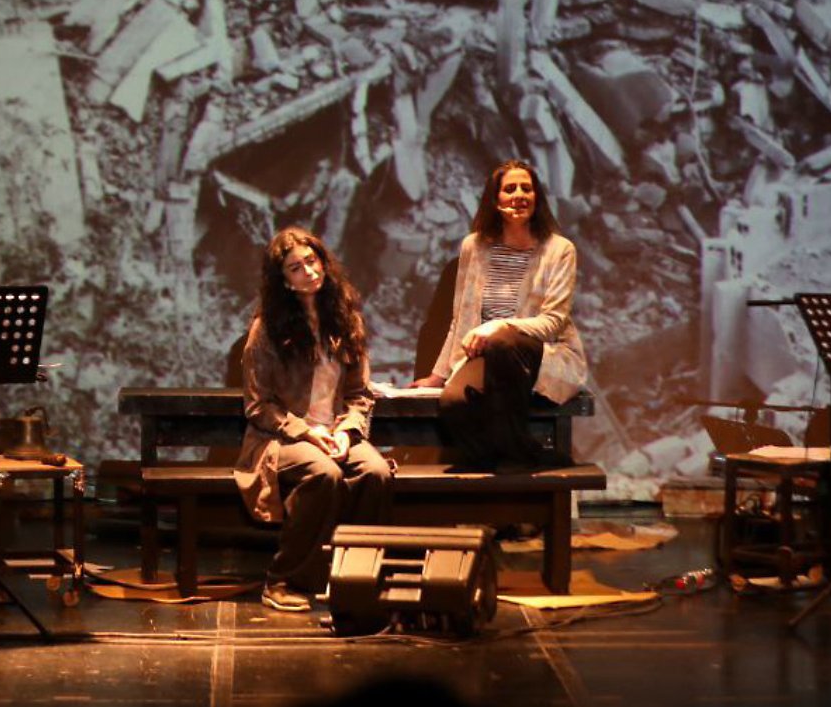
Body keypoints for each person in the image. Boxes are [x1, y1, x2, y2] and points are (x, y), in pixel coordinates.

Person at [235, 227, 392, 613]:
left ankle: (352, 573)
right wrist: (308, 431)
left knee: (375, 471)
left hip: (335, 433)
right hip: (279, 440)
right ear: (284, 281)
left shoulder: (344, 319)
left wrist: (346, 430)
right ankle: (283, 579)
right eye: (295, 268)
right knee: (324, 474)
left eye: (312, 261)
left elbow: (358, 394)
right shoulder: (268, 329)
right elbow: (258, 406)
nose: (308, 271)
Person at [412, 160, 587, 472]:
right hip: (487, 354)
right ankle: (523, 457)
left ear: (537, 197)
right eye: (510, 189)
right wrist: (438, 375)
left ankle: (515, 464)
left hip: (541, 354)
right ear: (495, 199)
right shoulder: (474, 246)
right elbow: (460, 318)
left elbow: (553, 322)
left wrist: (497, 326)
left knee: (505, 341)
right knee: (454, 402)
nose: (519, 195)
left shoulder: (559, 249)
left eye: (526, 188)